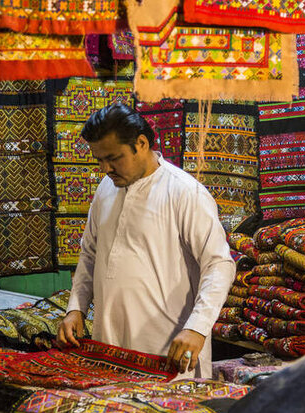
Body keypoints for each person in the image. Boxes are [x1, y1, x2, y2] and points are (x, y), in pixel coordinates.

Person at [56, 103, 235, 377]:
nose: (105, 168)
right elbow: (90, 255)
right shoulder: (106, 189)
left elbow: (219, 265)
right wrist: (76, 308)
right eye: (99, 159)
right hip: (110, 350)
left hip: (167, 350)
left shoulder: (185, 192)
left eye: (113, 158)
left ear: (141, 143)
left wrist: (197, 327)